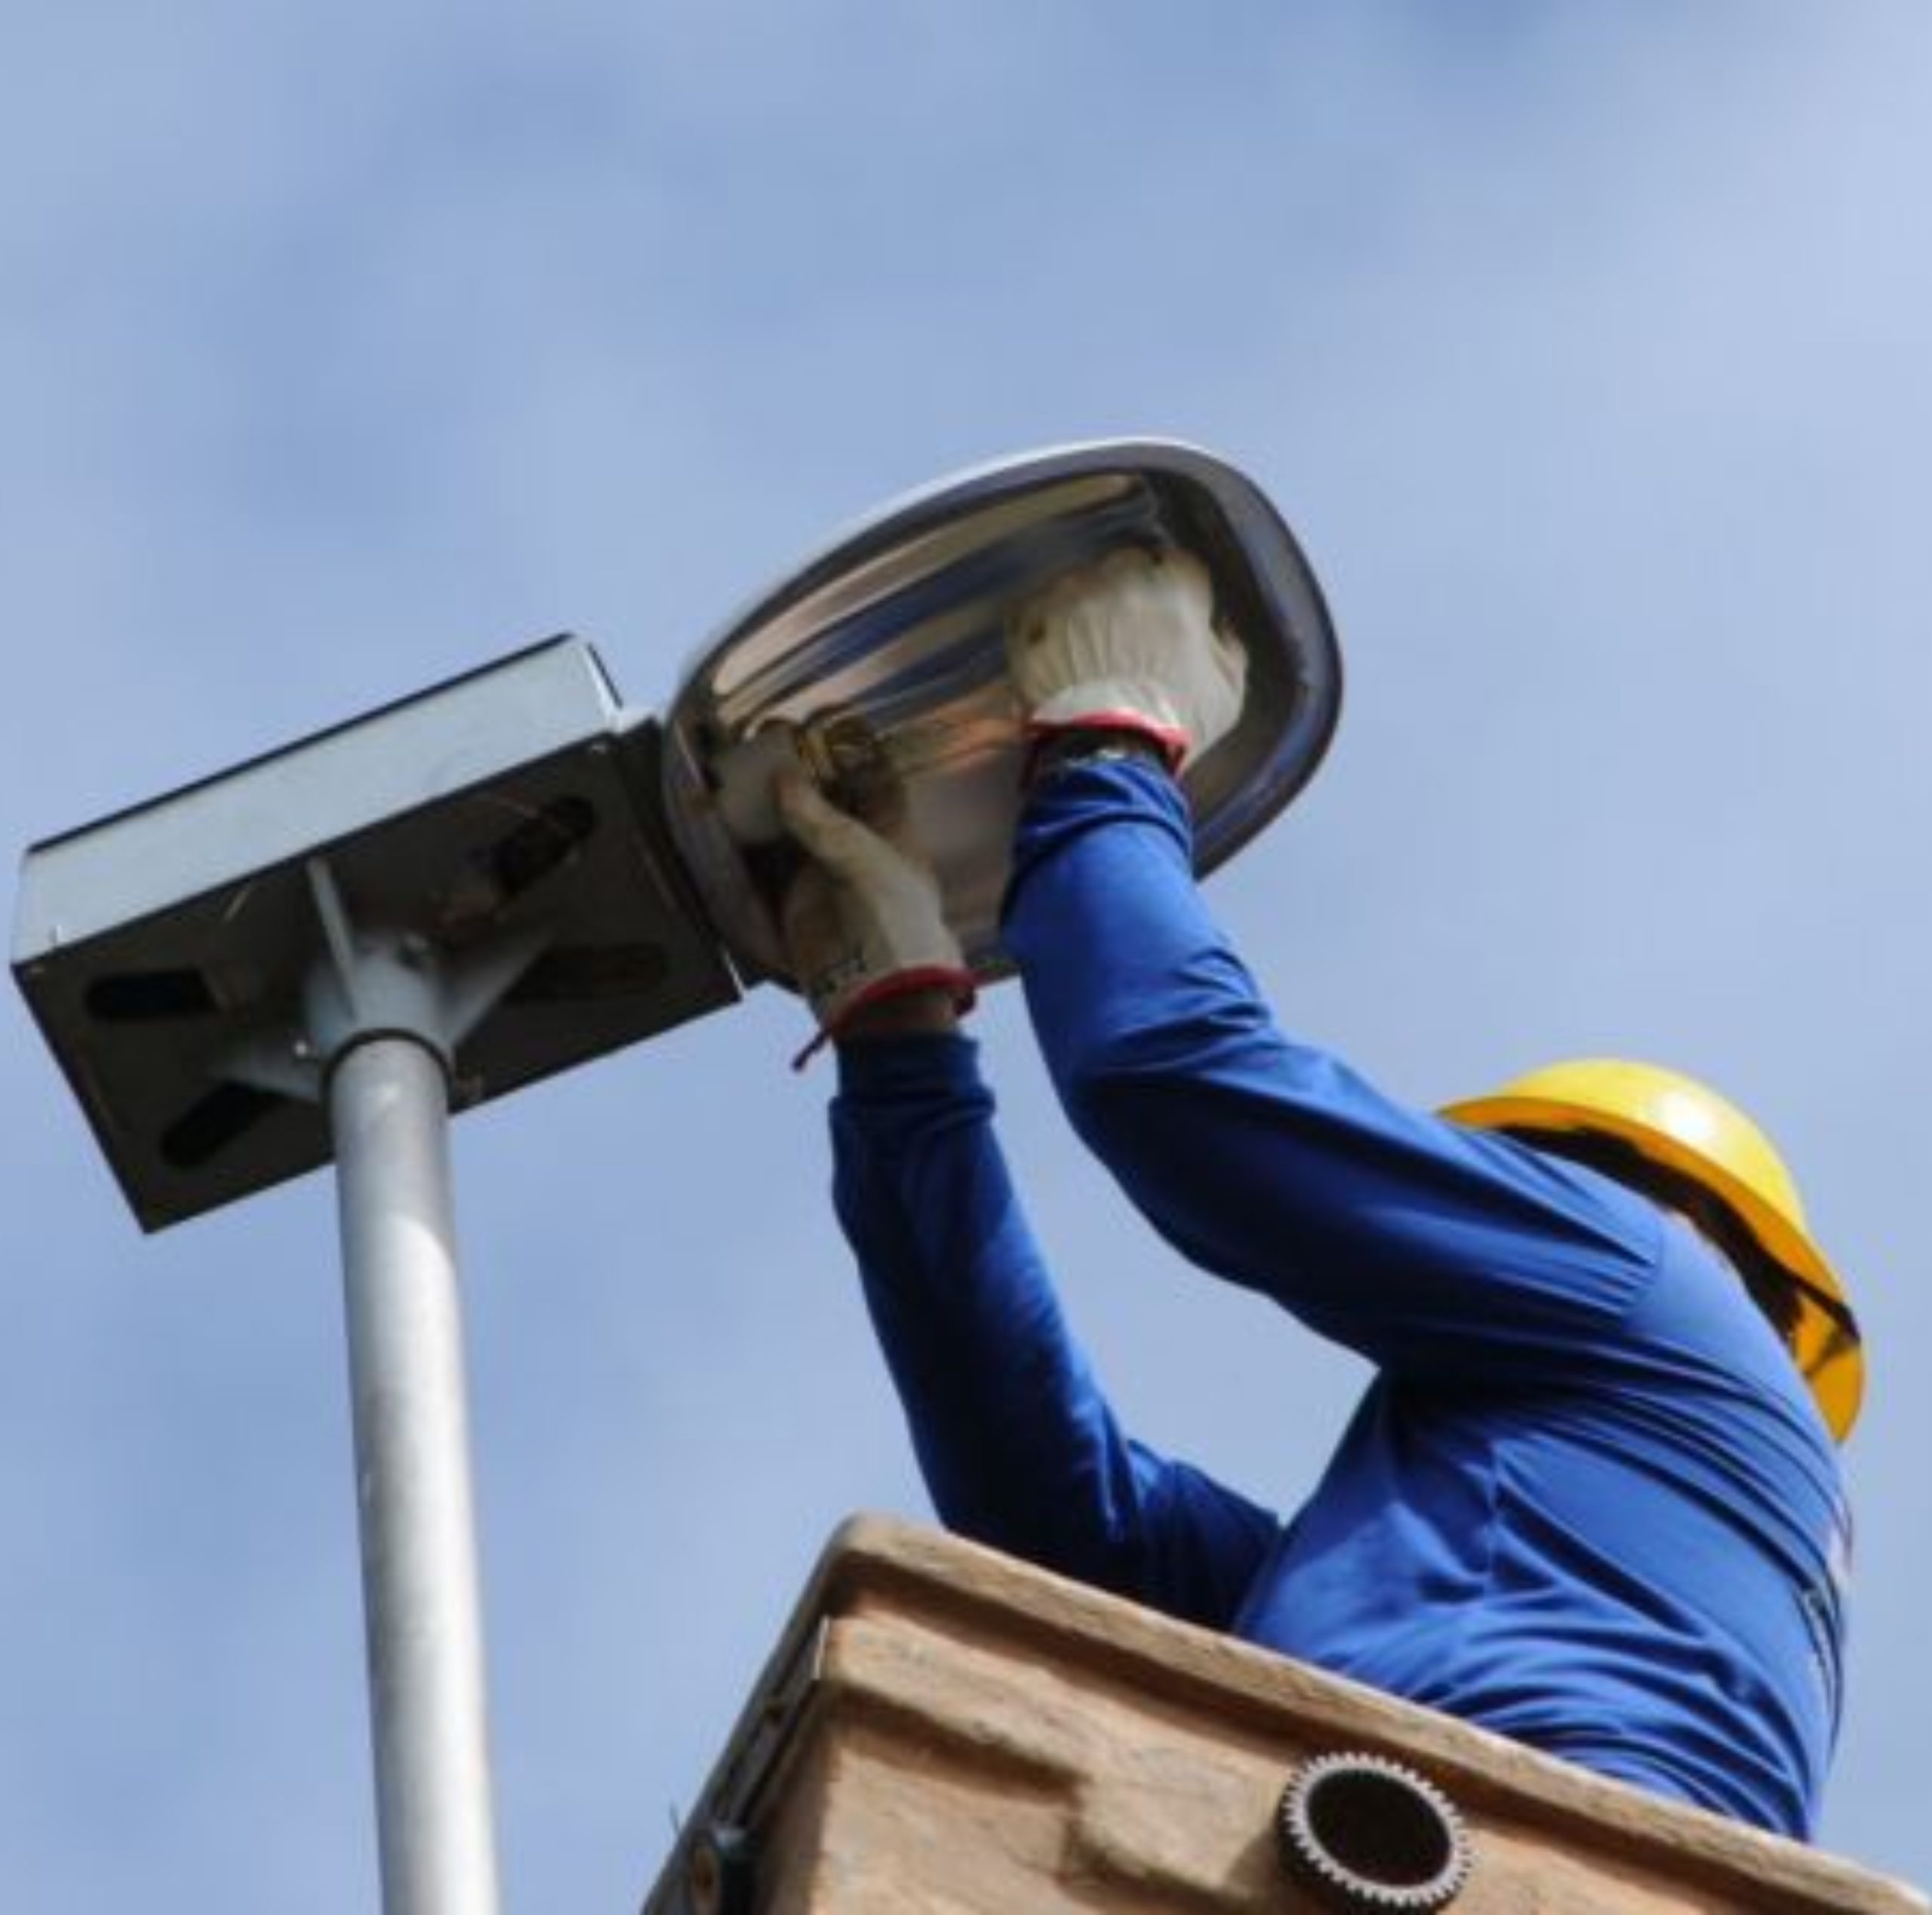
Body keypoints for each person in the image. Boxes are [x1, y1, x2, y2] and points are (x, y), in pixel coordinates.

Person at [768, 546, 1862, 1842]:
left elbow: (1178, 1082)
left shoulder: (1651, 1285)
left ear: (1685, 1224)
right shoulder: (1461, 1577)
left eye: (1536, 1180)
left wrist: (1112, 746)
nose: (1485, 1203)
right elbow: (1055, 1511)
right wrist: (901, 1046)